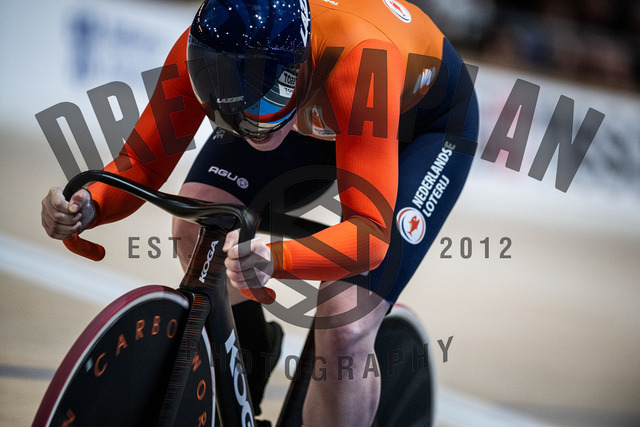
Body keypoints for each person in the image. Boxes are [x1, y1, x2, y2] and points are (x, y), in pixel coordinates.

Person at [41, 0, 479, 425]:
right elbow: (142, 162)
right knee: (198, 225)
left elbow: (370, 236)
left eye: (263, 105)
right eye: (229, 114)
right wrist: (88, 204)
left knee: (345, 322)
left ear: (298, 65)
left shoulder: (364, 62)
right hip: (312, 109)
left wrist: (276, 259)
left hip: (422, 125)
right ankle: (247, 357)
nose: (250, 128)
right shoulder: (211, 46)